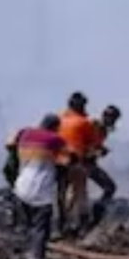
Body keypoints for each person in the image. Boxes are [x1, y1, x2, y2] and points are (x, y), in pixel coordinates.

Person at [12, 114, 66, 259]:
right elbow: (70, 157)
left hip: (20, 188)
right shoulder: (54, 139)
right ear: (55, 127)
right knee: (40, 231)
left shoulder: (25, 133)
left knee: (29, 228)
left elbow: (10, 143)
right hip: (40, 192)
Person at [56, 92, 97, 237]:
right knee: (81, 193)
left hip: (57, 162)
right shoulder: (84, 122)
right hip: (74, 162)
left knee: (60, 194)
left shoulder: (59, 119)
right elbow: (92, 146)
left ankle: (60, 225)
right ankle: (83, 225)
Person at [85, 104, 121, 226]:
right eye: (112, 118)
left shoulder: (103, 131)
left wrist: (101, 149)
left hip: (89, 163)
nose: (113, 122)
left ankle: (96, 215)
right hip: (82, 163)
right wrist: (97, 152)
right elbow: (82, 145)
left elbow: (95, 145)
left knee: (110, 187)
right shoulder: (93, 126)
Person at [2, 127, 27, 226]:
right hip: (18, 180)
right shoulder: (17, 154)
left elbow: (6, 170)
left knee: (13, 199)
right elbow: (8, 169)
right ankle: (19, 220)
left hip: (15, 180)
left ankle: (14, 219)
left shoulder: (13, 153)